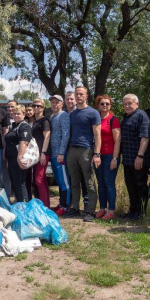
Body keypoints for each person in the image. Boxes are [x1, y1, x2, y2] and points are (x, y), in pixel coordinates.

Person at [66, 86, 102, 222]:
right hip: (72, 150)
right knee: (74, 181)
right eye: (77, 94)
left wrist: (97, 154)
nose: (79, 96)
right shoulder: (72, 114)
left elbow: (97, 135)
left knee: (89, 181)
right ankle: (75, 207)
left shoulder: (93, 113)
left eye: (81, 94)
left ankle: (91, 211)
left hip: (86, 150)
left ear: (86, 96)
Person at [119, 94, 150, 220]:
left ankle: (141, 212)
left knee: (140, 185)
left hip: (138, 159)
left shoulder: (141, 116)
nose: (127, 106)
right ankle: (132, 210)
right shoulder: (126, 117)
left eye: (130, 103)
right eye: (125, 104)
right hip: (127, 159)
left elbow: (145, 137)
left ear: (137, 104)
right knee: (130, 186)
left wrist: (140, 155)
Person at [94, 95, 121, 220]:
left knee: (109, 183)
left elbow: (118, 140)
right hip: (98, 155)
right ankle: (102, 208)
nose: (105, 106)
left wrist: (115, 158)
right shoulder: (96, 118)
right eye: (102, 104)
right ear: (98, 105)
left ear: (110, 106)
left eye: (107, 104)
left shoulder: (113, 119)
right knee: (100, 183)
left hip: (110, 155)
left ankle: (111, 210)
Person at [4, 105, 33, 202]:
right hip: (12, 159)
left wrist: (19, 157)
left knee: (20, 183)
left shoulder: (24, 126)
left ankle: (24, 206)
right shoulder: (14, 126)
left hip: (19, 159)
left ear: (24, 114)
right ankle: (19, 204)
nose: (16, 115)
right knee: (15, 183)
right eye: (14, 113)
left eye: (18, 113)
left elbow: (24, 142)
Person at [48, 95, 71, 214]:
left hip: (60, 154)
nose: (54, 104)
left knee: (64, 181)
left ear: (62, 104)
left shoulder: (64, 115)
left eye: (57, 102)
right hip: (53, 154)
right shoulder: (52, 116)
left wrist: (61, 152)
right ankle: (61, 203)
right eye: (52, 102)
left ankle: (65, 206)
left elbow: (66, 134)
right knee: (58, 180)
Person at [29, 99, 51, 206]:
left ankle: (44, 207)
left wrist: (43, 153)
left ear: (43, 108)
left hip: (43, 154)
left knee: (38, 180)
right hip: (35, 155)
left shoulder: (44, 121)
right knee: (42, 180)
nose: (36, 108)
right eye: (34, 106)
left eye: (39, 106)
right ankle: (46, 204)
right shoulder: (35, 122)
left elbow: (47, 137)